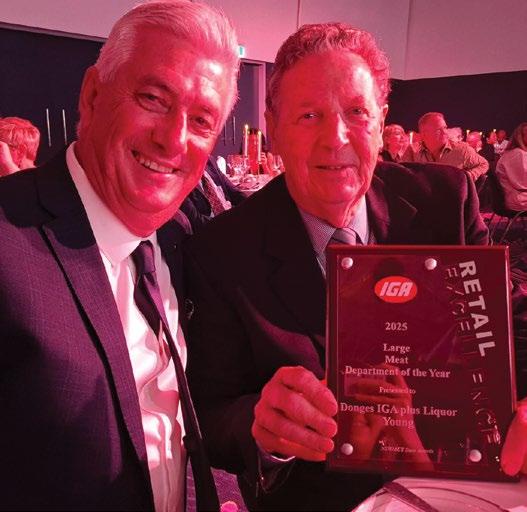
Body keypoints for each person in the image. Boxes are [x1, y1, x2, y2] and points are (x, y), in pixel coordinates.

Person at [184, 22, 527, 511]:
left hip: (462, 488)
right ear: (274, 127)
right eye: (309, 115)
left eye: (356, 112)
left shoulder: (444, 202)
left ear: (382, 121)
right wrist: (262, 424)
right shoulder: (224, 249)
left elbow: (514, 326)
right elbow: (211, 411)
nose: (335, 138)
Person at [0, 1, 239, 510]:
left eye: (201, 120)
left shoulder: (178, 240)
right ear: (92, 95)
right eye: (153, 98)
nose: (173, 139)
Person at [403, 112, 489, 182]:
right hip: (423, 197)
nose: (445, 132)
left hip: (451, 197)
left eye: (445, 128)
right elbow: (402, 175)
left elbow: (483, 164)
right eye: (438, 130)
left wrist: (468, 176)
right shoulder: (412, 150)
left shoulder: (461, 149)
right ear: (424, 133)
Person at [180, 156, 247, 232]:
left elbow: (235, 193)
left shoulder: (209, 161)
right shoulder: (178, 177)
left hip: (231, 219)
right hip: (212, 230)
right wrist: (232, 222)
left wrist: (250, 208)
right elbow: (196, 221)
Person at [495, 122, 527, 212]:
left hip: (512, 197)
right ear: (521, 137)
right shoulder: (519, 155)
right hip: (519, 200)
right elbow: (523, 184)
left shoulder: (510, 153)